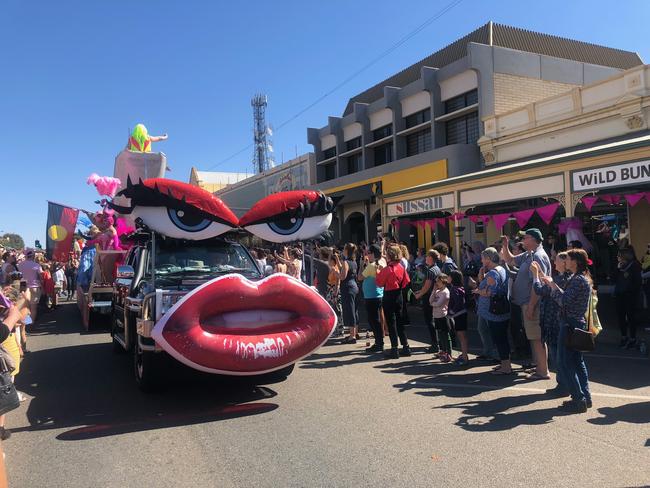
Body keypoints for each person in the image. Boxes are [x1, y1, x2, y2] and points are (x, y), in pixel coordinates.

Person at [539, 249, 593, 413]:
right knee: (577, 361)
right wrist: (553, 284)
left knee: (565, 362)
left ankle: (578, 399)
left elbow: (564, 301)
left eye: (568, 258)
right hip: (575, 322)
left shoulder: (577, 280)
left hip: (570, 323)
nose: (565, 261)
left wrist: (552, 286)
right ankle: (585, 397)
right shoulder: (580, 279)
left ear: (575, 262)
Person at [501, 229, 551, 380]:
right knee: (534, 337)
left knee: (537, 338)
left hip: (533, 304)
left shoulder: (538, 256)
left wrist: (531, 306)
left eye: (526, 237)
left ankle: (543, 371)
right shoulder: (529, 254)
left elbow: (538, 283)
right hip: (527, 303)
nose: (523, 240)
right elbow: (510, 260)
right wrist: (505, 246)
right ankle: (539, 367)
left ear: (534, 239)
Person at [531, 252, 570, 397]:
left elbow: (540, 289)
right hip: (556, 321)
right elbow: (548, 282)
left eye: (557, 260)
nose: (554, 262)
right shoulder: (563, 278)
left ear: (564, 264)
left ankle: (563, 386)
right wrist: (540, 272)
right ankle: (564, 385)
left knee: (558, 357)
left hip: (554, 322)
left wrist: (535, 275)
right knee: (560, 356)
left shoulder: (561, 279)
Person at [474, 248, 512, 375]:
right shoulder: (499, 270)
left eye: (483, 258)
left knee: (499, 338)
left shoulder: (493, 273)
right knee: (501, 338)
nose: (481, 260)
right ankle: (504, 364)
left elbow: (491, 292)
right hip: (499, 311)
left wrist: (477, 291)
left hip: (495, 312)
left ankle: (506, 367)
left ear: (489, 259)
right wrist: (481, 278)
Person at [376, 245, 411, 359]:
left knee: (391, 322)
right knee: (400, 321)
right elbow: (406, 282)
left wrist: (379, 272)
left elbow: (379, 283)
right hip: (399, 295)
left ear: (390, 255)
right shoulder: (401, 267)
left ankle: (394, 349)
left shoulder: (387, 269)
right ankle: (406, 347)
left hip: (389, 295)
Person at [614, 247, 642, 349]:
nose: (617, 257)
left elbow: (637, 282)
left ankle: (633, 338)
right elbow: (614, 279)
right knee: (621, 316)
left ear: (624, 256)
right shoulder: (619, 266)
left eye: (619, 255)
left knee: (631, 318)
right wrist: (617, 269)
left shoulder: (634, 265)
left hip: (630, 296)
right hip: (620, 295)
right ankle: (624, 336)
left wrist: (630, 291)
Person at [413, 250, 441, 354]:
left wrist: (419, 294)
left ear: (431, 258)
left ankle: (435, 344)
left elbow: (427, 286)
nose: (425, 258)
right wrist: (420, 291)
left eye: (427, 257)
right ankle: (438, 343)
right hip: (435, 296)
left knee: (430, 321)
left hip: (429, 297)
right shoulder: (436, 268)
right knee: (434, 320)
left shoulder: (431, 271)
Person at [358, 245, 384, 353]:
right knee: (375, 319)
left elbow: (359, 277)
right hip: (378, 294)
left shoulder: (371, 266)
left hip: (371, 296)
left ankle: (379, 343)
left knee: (373, 320)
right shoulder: (381, 262)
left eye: (368, 253)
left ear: (373, 254)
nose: (367, 254)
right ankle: (379, 341)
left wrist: (361, 265)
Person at [339, 243, 359, 344]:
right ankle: (355, 333)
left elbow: (343, 276)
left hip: (347, 287)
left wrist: (335, 273)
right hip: (354, 286)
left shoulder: (346, 262)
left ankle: (352, 336)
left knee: (350, 310)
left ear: (346, 250)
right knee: (354, 310)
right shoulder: (354, 262)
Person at [430, 274, 452, 363]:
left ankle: (449, 353)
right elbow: (430, 300)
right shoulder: (437, 291)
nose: (436, 283)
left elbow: (438, 304)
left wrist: (433, 303)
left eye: (438, 281)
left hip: (443, 316)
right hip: (436, 315)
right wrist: (433, 291)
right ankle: (443, 351)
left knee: (445, 335)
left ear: (443, 282)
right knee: (440, 334)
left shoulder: (445, 292)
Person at [448, 269, 469, 365]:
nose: (447, 278)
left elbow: (458, 303)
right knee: (462, 336)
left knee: (461, 336)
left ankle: (464, 357)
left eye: (449, 276)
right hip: (462, 314)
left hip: (459, 315)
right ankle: (464, 355)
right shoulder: (460, 288)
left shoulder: (454, 289)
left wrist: (451, 312)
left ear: (453, 278)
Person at [17, 250, 42, 322]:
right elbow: (40, 277)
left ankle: (24, 325)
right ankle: (30, 324)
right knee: (33, 308)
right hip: (34, 286)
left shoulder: (20, 265)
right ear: (33, 256)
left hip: (23, 286)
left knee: (25, 307)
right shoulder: (36, 265)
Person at [326, 253, 343, 335]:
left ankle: (340, 328)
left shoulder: (335, 269)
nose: (328, 261)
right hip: (331, 289)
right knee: (332, 308)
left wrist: (336, 291)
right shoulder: (331, 268)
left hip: (334, 289)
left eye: (330, 260)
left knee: (337, 309)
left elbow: (338, 281)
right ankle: (336, 328)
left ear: (333, 261)